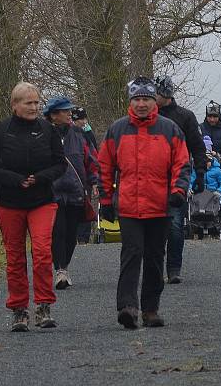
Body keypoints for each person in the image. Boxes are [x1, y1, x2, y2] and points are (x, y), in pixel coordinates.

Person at [98, 76, 191, 329]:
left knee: (153, 257)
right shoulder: (117, 129)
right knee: (131, 254)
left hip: (160, 204)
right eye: (137, 99)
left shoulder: (169, 129)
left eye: (146, 99)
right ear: (131, 101)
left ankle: (151, 308)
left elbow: (182, 163)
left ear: (154, 101)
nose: (141, 104)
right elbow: (104, 166)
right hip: (128, 205)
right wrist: (105, 198)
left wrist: (179, 191)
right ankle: (127, 307)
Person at [0, 82, 67, 331]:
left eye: (37, 103)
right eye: (28, 103)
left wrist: (39, 178)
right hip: (9, 202)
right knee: (15, 256)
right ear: (14, 105)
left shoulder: (48, 131)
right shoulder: (0, 131)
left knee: (41, 252)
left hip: (41, 200)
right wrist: (16, 180)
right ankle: (19, 310)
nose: (34, 107)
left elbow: (60, 165)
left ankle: (43, 307)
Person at [154, 75, 207, 284]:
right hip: (151, 180)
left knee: (175, 226)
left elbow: (197, 146)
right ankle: (156, 267)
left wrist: (200, 172)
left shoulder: (185, 116)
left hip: (177, 178)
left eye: (157, 94)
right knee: (154, 228)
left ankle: (174, 268)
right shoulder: (146, 116)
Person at [44, 97, 98, 289]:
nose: (69, 114)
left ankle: (64, 266)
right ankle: (60, 269)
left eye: (69, 111)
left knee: (71, 233)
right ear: (53, 115)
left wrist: (94, 181)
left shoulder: (79, 134)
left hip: (76, 190)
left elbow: (91, 159)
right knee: (58, 231)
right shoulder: (43, 135)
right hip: (52, 192)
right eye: (65, 111)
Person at [72, 105, 99, 243]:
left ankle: (83, 239)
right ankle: (73, 237)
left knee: (86, 207)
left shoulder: (88, 133)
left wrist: (94, 180)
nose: (83, 122)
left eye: (84, 118)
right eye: (80, 119)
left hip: (85, 178)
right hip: (71, 177)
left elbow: (93, 156)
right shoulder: (69, 134)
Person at [200, 101, 221, 172]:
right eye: (209, 116)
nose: (212, 119)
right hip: (202, 166)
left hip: (219, 166)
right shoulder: (200, 128)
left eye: (215, 116)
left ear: (219, 116)